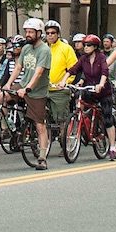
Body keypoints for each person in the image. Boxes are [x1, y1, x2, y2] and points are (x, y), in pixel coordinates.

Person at [68, 34, 116, 159]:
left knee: (107, 118)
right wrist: (64, 81)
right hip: (90, 89)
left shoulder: (100, 57)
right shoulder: (83, 59)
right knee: (81, 106)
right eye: (84, 45)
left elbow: (104, 71)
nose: (85, 47)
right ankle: (86, 128)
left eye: (88, 45)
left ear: (95, 47)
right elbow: (73, 70)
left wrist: (101, 84)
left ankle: (112, 147)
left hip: (103, 91)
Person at [14, 18, 51, 170]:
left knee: (39, 125)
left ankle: (42, 158)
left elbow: (39, 72)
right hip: (24, 86)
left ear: (38, 33)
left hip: (37, 91)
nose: (27, 35)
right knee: (2, 96)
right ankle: (7, 129)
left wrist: (27, 88)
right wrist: (7, 84)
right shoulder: (25, 49)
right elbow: (18, 68)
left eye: (30, 32)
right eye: (26, 32)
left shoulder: (44, 50)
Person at [44, 20, 77, 128]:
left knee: (61, 119)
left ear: (58, 34)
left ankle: (64, 141)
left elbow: (73, 69)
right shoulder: (42, 48)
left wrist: (65, 82)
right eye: (47, 33)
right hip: (43, 89)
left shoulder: (66, 48)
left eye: (52, 33)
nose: (50, 35)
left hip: (59, 90)